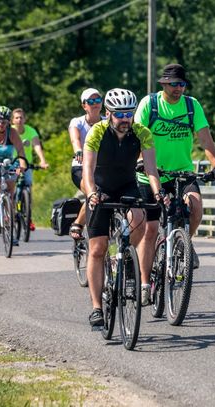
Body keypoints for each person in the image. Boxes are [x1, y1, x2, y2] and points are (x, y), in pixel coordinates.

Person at [134, 63, 215, 300]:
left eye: (182, 84)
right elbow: (137, 136)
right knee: (151, 229)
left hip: (182, 172)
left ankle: (185, 243)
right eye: (174, 84)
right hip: (151, 174)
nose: (178, 89)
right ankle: (144, 283)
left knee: (195, 206)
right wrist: (139, 161)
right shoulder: (150, 104)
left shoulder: (191, 105)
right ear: (164, 84)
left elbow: (205, 139)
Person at [82, 88, 168, 326]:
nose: (125, 119)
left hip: (127, 185)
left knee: (139, 217)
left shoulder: (142, 132)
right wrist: (91, 193)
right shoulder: (97, 131)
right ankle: (97, 308)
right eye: (119, 114)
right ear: (108, 113)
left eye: (129, 113)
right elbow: (88, 170)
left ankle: (126, 259)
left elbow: (151, 169)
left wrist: (158, 192)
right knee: (97, 248)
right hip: (100, 187)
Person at [68, 88, 105, 240]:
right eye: (91, 101)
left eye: (98, 100)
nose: (95, 104)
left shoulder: (107, 122)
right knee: (93, 193)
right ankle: (78, 223)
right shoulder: (77, 122)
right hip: (81, 167)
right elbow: (75, 139)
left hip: (102, 168)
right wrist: (78, 150)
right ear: (84, 105)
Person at [11, 108, 49, 231]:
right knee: (11, 188)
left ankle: (28, 217)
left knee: (28, 187)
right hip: (12, 163)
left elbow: (37, 146)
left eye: (21, 117)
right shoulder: (10, 131)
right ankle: (9, 213)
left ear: (25, 119)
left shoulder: (30, 131)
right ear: (12, 120)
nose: (19, 120)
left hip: (26, 164)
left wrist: (42, 161)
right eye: (16, 118)